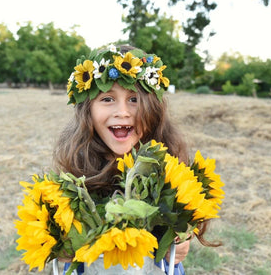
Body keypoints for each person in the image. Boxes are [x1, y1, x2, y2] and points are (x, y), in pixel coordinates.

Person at [52, 44, 211, 274]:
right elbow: (62, 234)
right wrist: (62, 246)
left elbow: (185, 219)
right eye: (107, 99)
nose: (122, 112)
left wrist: (181, 241)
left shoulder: (169, 164)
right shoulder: (77, 168)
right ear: (87, 111)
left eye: (134, 99)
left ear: (153, 110)